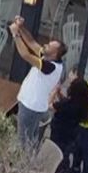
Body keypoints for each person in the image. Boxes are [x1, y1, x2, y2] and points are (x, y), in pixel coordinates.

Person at [11, 15, 67, 152]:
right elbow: (31, 43)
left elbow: (26, 55)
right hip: (33, 105)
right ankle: (30, 159)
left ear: (54, 54)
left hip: (30, 107)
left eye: (49, 46)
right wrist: (21, 28)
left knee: (24, 141)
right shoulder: (49, 58)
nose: (45, 45)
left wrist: (16, 35)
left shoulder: (50, 67)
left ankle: (24, 162)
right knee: (30, 139)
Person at [52, 75, 88, 173]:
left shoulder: (68, 106)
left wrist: (54, 92)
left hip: (60, 136)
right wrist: (59, 94)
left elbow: (51, 105)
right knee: (64, 159)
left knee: (59, 161)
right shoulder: (80, 105)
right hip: (70, 137)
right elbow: (65, 102)